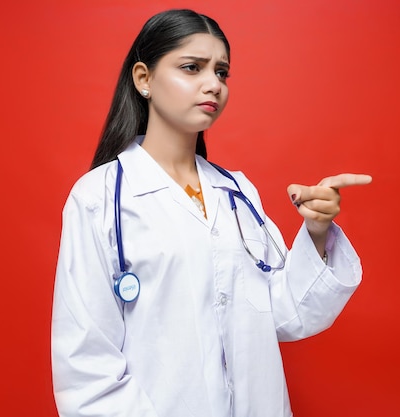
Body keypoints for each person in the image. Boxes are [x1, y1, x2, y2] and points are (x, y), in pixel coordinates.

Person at [51, 8, 371, 417]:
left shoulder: (236, 192)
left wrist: (317, 232)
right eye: (192, 67)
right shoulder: (98, 198)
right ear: (143, 79)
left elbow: (286, 314)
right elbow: (87, 366)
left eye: (221, 72)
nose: (213, 85)